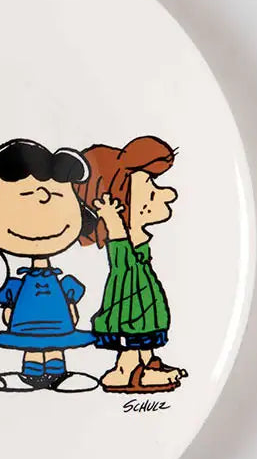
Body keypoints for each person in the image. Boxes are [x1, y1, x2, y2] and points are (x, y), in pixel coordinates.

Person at [0, 139, 98, 391]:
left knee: (55, 346)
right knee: (32, 346)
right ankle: (31, 374)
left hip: (58, 323)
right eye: (24, 197)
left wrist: (71, 308)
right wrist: (9, 310)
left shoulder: (59, 282)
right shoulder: (16, 285)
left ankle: (57, 373)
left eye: (57, 196)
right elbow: (8, 300)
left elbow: (70, 296)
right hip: (26, 323)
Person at [77, 136, 184, 393]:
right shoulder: (122, 247)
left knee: (143, 343)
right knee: (131, 345)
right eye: (151, 191)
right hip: (130, 311)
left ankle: (146, 366)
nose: (169, 194)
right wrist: (112, 219)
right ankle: (126, 372)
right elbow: (117, 240)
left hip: (143, 310)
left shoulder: (138, 244)